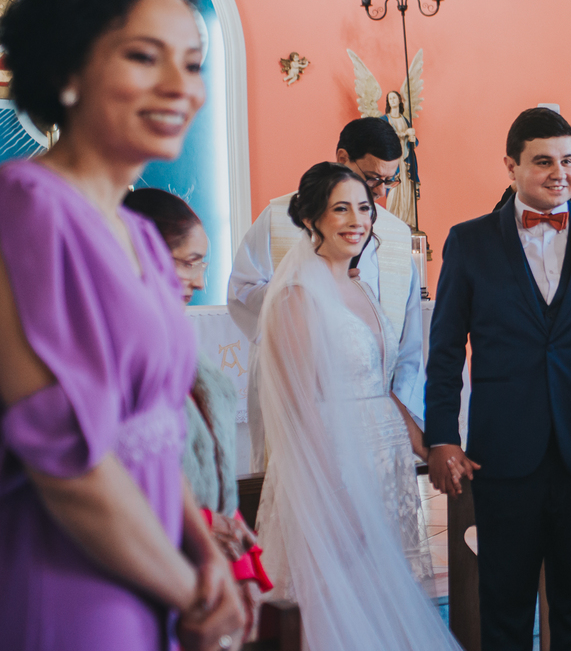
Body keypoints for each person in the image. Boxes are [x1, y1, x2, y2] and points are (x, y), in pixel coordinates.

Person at [0, 0, 244, 651]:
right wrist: (189, 587)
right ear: (67, 71)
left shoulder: (139, 232)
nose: (181, 86)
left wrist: (204, 555)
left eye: (193, 63)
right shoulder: (26, 208)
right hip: (72, 571)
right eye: (145, 57)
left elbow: (159, 425)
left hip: (158, 553)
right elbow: (66, 460)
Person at [425, 108, 571, 651]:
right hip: (504, 453)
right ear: (511, 166)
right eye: (544, 161)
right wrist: (442, 436)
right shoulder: (469, 242)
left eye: (569, 160)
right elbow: (443, 353)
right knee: (504, 608)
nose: (560, 173)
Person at [251, 162, 457, 650]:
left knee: (378, 598)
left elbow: (378, 383)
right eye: (340, 209)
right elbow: (303, 410)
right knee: (333, 604)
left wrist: (428, 446)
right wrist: (335, 495)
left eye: (363, 208)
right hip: (330, 473)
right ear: (312, 218)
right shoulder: (297, 297)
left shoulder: (359, 285)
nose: (357, 220)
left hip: (382, 470)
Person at [227, 117, 422, 474]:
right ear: (343, 157)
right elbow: (242, 291)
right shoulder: (278, 218)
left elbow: (408, 334)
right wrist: (311, 290)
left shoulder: (394, 234)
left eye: (390, 180)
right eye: (373, 177)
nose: (380, 193)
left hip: (374, 401)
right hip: (302, 395)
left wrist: (404, 411)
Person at [124, 187, 275, 633]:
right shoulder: (116, 349)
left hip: (206, 551)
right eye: (188, 261)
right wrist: (201, 525)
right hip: (149, 553)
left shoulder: (181, 340)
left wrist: (238, 560)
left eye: (202, 263)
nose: (201, 279)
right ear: (143, 254)